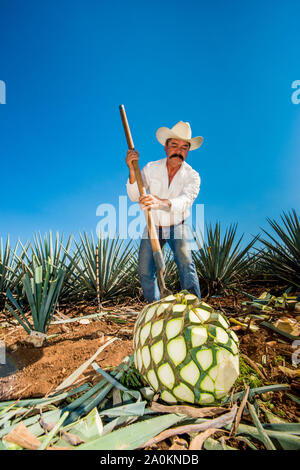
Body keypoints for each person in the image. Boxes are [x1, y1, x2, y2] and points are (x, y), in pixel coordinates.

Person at [126, 121, 203, 303]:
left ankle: (194, 306)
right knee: (145, 270)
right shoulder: (151, 168)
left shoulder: (193, 176)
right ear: (166, 147)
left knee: (185, 262)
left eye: (184, 147)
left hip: (178, 225)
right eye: (174, 145)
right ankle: (155, 306)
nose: (179, 150)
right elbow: (134, 195)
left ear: (188, 151)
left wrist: (159, 202)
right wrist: (131, 169)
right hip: (154, 226)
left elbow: (185, 201)